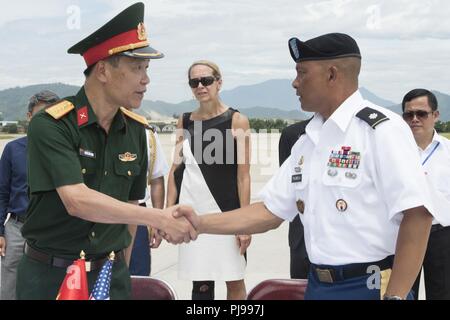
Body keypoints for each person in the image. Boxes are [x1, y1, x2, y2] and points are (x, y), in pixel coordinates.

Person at [173, 33, 435, 300]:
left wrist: (396, 296)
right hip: (317, 284)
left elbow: (418, 214)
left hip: (369, 287)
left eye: (302, 73)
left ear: (332, 75)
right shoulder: (308, 141)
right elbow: (269, 211)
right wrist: (199, 223)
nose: (294, 82)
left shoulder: (381, 131)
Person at [16, 2, 196, 300]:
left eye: (146, 69)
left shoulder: (137, 132)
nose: (146, 80)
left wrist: (118, 271)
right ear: (102, 70)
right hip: (51, 280)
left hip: (110, 279)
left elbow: (130, 209)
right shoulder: (52, 125)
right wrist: (159, 217)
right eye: (136, 68)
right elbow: (77, 200)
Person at [167, 60, 251, 300]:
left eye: (207, 80)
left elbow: (243, 177)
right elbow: (176, 169)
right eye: (195, 82)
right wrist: (166, 213)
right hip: (193, 212)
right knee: (200, 283)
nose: (201, 86)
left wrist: (244, 224)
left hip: (227, 213)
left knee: (234, 280)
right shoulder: (184, 121)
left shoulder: (237, 121)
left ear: (219, 82)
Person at [0, 90, 60, 300]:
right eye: (40, 116)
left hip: (50, 230)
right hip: (17, 229)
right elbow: (2, 194)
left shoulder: (64, 150)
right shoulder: (12, 149)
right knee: (10, 287)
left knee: (46, 283)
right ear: (29, 117)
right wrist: (0, 231)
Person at [401, 89, 450, 300]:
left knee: (442, 293)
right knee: (401, 292)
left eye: (421, 114)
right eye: (408, 114)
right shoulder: (394, 152)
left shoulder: (448, 151)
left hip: (441, 236)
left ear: (435, 115)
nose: (414, 119)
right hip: (402, 235)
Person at [129, 124, 169, 276]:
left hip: (139, 215)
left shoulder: (146, 134)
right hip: (100, 215)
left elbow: (157, 179)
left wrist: (157, 222)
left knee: (138, 277)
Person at [278, 121, 311, 279]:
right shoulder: (293, 135)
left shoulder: (367, 132)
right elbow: (285, 191)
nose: (297, 93)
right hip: (300, 239)